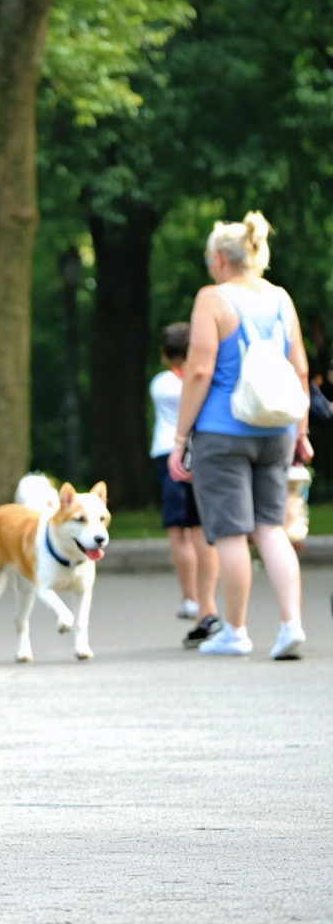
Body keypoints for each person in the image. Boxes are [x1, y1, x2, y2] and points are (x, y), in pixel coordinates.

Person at [168, 212, 311, 659]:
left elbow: (199, 371)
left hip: (222, 432)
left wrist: (180, 438)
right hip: (278, 429)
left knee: (230, 533)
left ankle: (235, 630)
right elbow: (300, 369)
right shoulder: (282, 299)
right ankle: (291, 625)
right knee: (272, 529)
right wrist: (301, 432)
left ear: (219, 260)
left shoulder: (212, 299)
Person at [148, 323, 220, 637]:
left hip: (168, 453)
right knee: (203, 530)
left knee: (179, 531)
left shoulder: (162, 383)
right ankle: (207, 601)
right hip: (201, 453)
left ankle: (189, 596)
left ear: (166, 355)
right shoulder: (206, 379)